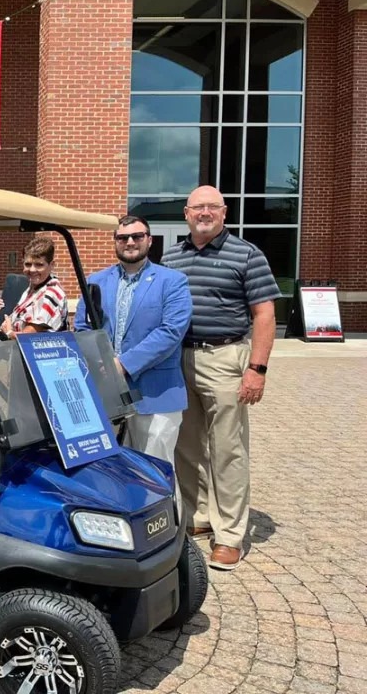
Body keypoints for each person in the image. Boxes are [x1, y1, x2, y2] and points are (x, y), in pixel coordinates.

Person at [162, 185, 281, 571]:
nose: (205, 213)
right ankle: (198, 516)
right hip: (180, 358)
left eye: (212, 206)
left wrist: (257, 370)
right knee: (187, 445)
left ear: (225, 212)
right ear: (186, 213)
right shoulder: (172, 257)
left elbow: (264, 315)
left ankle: (229, 534)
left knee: (228, 449)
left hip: (226, 357)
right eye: (198, 207)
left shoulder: (247, 254)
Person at [74, 215, 192, 470]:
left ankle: (167, 512)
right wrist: (101, 363)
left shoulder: (172, 282)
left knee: (156, 473)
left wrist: (123, 364)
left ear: (149, 240)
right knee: (112, 472)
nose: (130, 242)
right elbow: (82, 328)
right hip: (107, 395)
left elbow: (171, 332)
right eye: (122, 237)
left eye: (137, 236)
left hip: (156, 395)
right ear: (114, 241)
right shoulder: (95, 281)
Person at [0, 237, 69, 335]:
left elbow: (28, 338)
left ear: (52, 265)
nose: (32, 270)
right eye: (28, 264)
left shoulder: (51, 294)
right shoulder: (33, 288)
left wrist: (9, 332)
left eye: (39, 265)